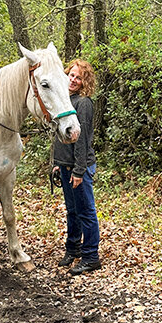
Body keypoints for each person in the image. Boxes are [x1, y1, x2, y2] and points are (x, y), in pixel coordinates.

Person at [53, 60, 101, 275]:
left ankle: (91, 256)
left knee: (86, 212)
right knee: (72, 211)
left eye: (78, 77)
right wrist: (56, 164)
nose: (73, 80)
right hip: (65, 166)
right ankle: (73, 248)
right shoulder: (63, 100)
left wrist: (79, 170)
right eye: (71, 75)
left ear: (85, 82)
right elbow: (57, 137)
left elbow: (82, 140)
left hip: (80, 167)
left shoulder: (83, 103)